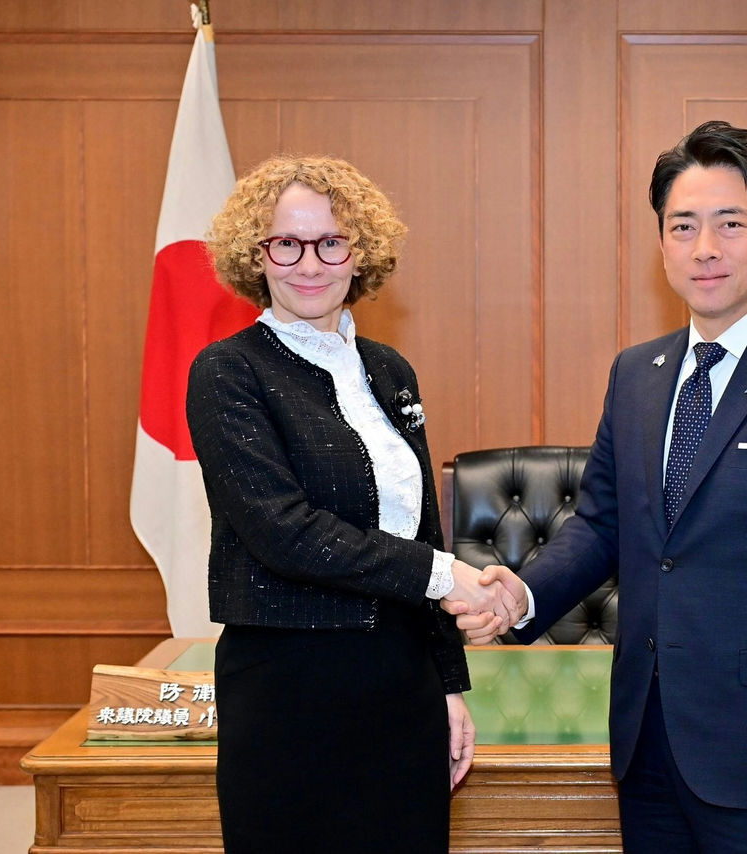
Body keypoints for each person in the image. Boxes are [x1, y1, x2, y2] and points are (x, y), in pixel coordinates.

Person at [445, 121, 747, 852]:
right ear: (662, 245)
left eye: (730, 224)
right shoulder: (637, 374)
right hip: (646, 742)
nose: (704, 248)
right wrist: (520, 595)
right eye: (683, 227)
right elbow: (602, 525)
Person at [187, 155, 515, 853]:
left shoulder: (391, 371)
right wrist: (443, 573)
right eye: (287, 243)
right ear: (257, 254)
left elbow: (421, 522)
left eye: (331, 242)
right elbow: (284, 533)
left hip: (401, 683)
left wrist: (448, 687)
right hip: (288, 688)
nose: (310, 263)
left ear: (358, 252)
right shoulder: (227, 372)